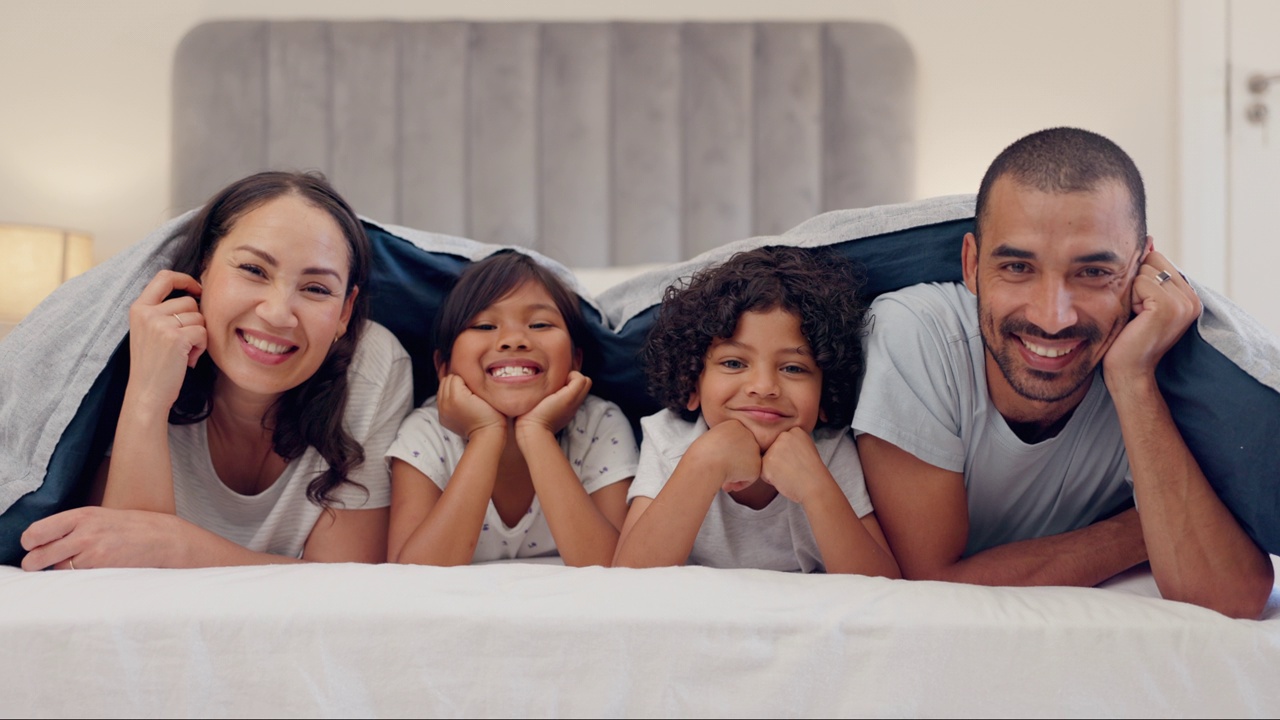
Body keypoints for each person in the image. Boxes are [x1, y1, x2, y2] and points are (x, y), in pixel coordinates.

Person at [852, 127, 1274, 618]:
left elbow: (1231, 597)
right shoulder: (917, 333)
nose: (1053, 318)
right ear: (970, 264)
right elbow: (931, 583)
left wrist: (1132, 382)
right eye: (1017, 267)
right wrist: (1141, 531)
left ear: (1142, 267)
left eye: (1093, 272)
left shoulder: (1157, 361)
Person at [20, 170, 413, 569]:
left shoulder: (373, 366)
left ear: (345, 311)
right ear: (204, 267)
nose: (278, 315)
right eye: (253, 270)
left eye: (316, 289)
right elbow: (122, 570)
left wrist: (183, 547)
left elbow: (346, 582)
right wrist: (148, 394)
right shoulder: (142, 342)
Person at [612, 246, 899, 577]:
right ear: (692, 383)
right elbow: (628, 579)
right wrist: (704, 464)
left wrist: (816, 488)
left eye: (793, 368)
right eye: (734, 363)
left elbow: (883, 587)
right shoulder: (666, 439)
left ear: (825, 396)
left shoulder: (829, 453)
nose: (764, 387)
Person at [386, 250, 637, 567]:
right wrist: (485, 435)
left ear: (576, 359)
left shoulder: (599, 425)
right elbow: (411, 574)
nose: (514, 340)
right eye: (485, 326)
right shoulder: (426, 433)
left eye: (540, 324)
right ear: (443, 366)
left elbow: (616, 568)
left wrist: (537, 434)